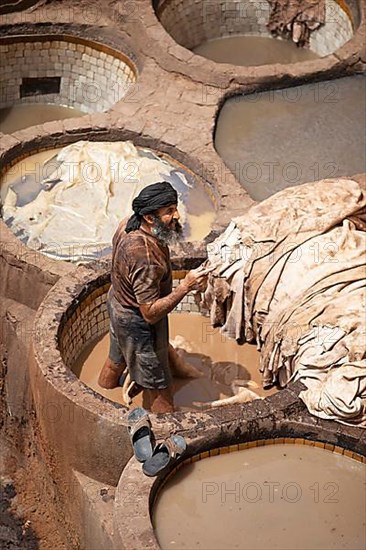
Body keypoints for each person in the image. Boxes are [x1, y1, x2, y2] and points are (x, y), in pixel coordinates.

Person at [98, 181, 209, 413]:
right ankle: (161, 430)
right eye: (169, 211)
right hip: (138, 325)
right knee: (159, 388)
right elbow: (149, 313)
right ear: (150, 218)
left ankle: (101, 395)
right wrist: (185, 286)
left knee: (116, 358)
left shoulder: (127, 224)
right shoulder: (145, 257)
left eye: (175, 207)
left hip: (118, 303)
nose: (177, 215)